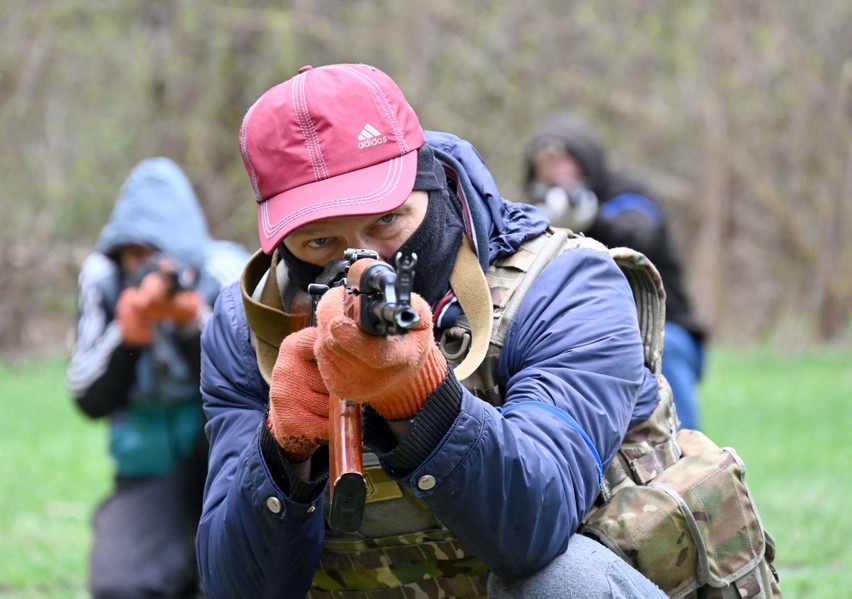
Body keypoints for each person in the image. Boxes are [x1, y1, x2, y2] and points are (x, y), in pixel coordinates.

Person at [196, 63, 672, 598]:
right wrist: (283, 455)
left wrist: (420, 401)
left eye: (386, 222)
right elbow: (233, 587)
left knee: (563, 583)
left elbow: (534, 532)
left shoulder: (565, 284)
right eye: (319, 244)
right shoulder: (248, 328)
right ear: (281, 244)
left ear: (431, 188)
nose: (364, 258)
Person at [67, 157, 249, 599]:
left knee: (240, 579)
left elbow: (254, 383)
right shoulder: (103, 280)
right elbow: (86, 397)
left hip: (226, 461)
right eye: (134, 255)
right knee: (121, 585)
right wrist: (128, 333)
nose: (144, 268)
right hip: (148, 463)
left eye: (155, 256)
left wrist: (191, 324)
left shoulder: (226, 271)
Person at [522, 113, 708, 431]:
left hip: (663, 329)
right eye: (548, 167)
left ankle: (688, 456)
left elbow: (639, 233)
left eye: (565, 163)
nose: (557, 175)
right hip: (585, 334)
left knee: (669, 355)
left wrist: (591, 220)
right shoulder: (531, 215)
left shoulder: (628, 193)